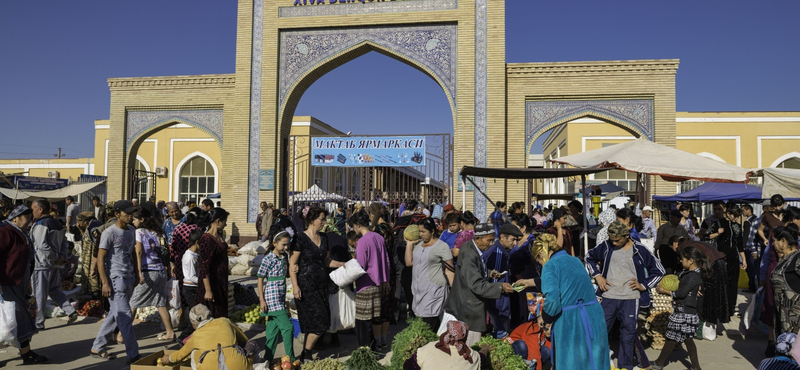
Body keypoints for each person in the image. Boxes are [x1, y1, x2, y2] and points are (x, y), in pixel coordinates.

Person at [586, 221, 664, 370]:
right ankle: (595, 365)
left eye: (617, 240)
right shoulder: (606, 246)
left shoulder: (640, 250)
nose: (614, 243)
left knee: (628, 336)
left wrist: (644, 285)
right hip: (608, 297)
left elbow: (659, 270)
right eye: (611, 240)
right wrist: (597, 276)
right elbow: (588, 257)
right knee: (599, 332)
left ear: (626, 235)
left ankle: (625, 367)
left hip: (630, 298)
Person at [539, 231, 609, 370]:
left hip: (572, 320)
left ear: (541, 253)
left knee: (573, 362)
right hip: (594, 316)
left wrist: (545, 318)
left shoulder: (550, 265)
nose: (540, 264)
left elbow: (552, 301)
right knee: (594, 360)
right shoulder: (575, 260)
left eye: (538, 260)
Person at [289, 206, 345, 362]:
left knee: (316, 320)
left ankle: (305, 355)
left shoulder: (324, 238)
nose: (324, 222)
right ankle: (306, 353)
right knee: (321, 322)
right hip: (306, 286)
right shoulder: (300, 239)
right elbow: (292, 264)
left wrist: (340, 264)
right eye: (322, 219)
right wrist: (295, 286)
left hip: (322, 284)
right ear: (312, 220)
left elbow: (326, 260)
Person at [445, 223, 514, 345]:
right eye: (489, 240)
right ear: (478, 239)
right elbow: (476, 285)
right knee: (471, 347)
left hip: (469, 305)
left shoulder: (471, 248)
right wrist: (500, 287)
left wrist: (490, 273)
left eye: (493, 240)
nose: (491, 244)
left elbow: (476, 270)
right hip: (469, 308)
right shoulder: (469, 254)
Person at [90, 200, 140, 362]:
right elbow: (100, 258)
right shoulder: (109, 232)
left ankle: (97, 347)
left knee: (114, 314)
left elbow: (132, 252)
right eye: (127, 213)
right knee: (124, 316)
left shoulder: (132, 230)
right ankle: (133, 354)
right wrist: (105, 282)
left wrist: (137, 273)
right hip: (115, 279)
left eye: (132, 213)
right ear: (117, 214)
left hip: (129, 278)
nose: (130, 216)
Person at [0, 205, 48, 364]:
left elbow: (27, 260)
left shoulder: (20, 233)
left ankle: (26, 353)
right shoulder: (5, 232)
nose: (29, 221)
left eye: (30, 217)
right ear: (15, 218)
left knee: (16, 319)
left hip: (19, 282)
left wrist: (27, 281)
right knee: (14, 318)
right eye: (26, 218)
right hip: (7, 283)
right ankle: (26, 354)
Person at [652, 245, 709, 370]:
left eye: (682, 259)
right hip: (684, 312)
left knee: (671, 338)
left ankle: (658, 363)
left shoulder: (693, 276)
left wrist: (664, 290)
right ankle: (696, 367)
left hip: (684, 313)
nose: (680, 261)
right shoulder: (687, 273)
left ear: (691, 261)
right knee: (687, 340)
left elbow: (680, 293)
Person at [30, 198, 78, 330]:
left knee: (39, 294)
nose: (32, 212)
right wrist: (61, 256)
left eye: (33, 209)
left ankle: (38, 323)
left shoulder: (41, 224)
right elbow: (64, 243)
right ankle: (70, 311)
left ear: (40, 210)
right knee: (54, 290)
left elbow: (42, 245)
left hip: (42, 264)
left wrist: (56, 258)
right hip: (53, 265)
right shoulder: (57, 224)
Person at [161, 304, 256, 370]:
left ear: (194, 324)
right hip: (240, 367)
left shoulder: (196, 336)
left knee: (195, 352)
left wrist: (168, 358)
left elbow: (180, 354)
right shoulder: (224, 321)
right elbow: (244, 339)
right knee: (252, 344)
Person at [129, 208, 174, 341]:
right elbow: (165, 252)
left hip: (149, 271)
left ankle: (121, 334)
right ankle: (170, 332)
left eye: (134, 219)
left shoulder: (139, 232)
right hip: (161, 271)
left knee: (133, 302)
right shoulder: (158, 232)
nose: (133, 221)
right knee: (160, 303)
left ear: (142, 220)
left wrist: (139, 272)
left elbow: (138, 252)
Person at [349, 211, 392, 349]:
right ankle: (373, 348)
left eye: (353, 226)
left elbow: (359, 266)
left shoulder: (362, 242)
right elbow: (386, 260)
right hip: (378, 284)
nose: (353, 230)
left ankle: (365, 351)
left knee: (363, 322)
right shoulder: (378, 237)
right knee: (374, 318)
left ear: (357, 225)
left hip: (365, 285)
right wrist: (385, 280)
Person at [405, 217, 454, 332]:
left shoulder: (442, 247)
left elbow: (449, 270)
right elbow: (409, 263)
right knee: (420, 325)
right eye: (419, 231)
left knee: (428, 326)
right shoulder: (418, 245)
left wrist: (455, 292)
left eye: (423, 232)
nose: (421, 234)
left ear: (432, 231)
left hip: (434, 291)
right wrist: (409, 244)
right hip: (418, 292)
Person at [257, 225, 294, 362]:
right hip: (272, 298)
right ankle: (290, 358)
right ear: (274, 243)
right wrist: (262, 300)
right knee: (288, 328)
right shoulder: (268, 259)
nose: (286, 247)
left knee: (272, 332)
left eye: (287, 245)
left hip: (280, 295)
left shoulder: (284, 257)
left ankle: (266, 360)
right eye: (283, 245)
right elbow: (260, 279)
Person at [483, 223, 524, 338]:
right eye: (512, 240)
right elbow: (495, 281)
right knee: (501, 333)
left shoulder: (502, 251)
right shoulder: (497, 253)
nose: (515, 243)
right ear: (502, 237)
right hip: (498, 302)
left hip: (501, 301)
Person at [402, 320, 491, 370]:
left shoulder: (427, 348)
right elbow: (482, 357)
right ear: (465, 337)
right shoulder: (472, 355)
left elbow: (407, 366)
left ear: (447, 332)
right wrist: (486, 348)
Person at [708, 205, 746, 318]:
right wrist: (717, 233)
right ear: (728, 213)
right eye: (735, 215)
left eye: (738, 216)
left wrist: (744, 259)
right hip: (721, 257)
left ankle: (732, 307)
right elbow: (706, 236)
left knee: (733, 283)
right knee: (722, 282)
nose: (736, 218)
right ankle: (721, 306)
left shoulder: (738, 226)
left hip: (734, 257)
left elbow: (740, 244)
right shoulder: (718, 224)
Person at [196, 208, 230, 318]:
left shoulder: (219, 236)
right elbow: (204, 266)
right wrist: (208, 290)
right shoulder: (207, 239)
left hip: (220, 282)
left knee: (221, 313)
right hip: (211, 283)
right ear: (218, 221)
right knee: (211, 315)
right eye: (225, 221)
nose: (226, 224)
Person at [770, 224, 800, 335]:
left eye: (774, 240)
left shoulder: (797, 258)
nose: (772, 243)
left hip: (795, 322)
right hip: (782, 319)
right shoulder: (784, 260)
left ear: (783, 241)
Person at [178, 228, 204, 343]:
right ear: (197, 242)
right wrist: (204, 282)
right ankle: (182, 337)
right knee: (196, 316)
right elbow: (191, 277)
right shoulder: (189, 257)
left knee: (198, 315)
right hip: (190, 289)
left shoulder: (195, 254)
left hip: (195, 288)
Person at [743, 204, 760, 293]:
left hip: (749, 248)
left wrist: (743, 246)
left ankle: (752, 286)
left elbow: (746, 235)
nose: (742, 212)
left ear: (748, 210)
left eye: (743, 210)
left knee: (750, 268)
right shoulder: (756, 219)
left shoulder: (749, 221)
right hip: (756, 247)